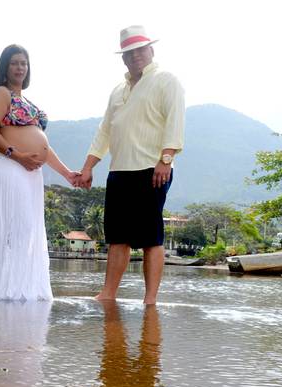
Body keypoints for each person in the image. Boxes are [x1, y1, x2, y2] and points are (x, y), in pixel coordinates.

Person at [76, 25, 185, 305]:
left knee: (151, 237)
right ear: (123, 58)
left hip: (152, 169)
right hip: (119, 171)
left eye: (139, 50)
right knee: (117, 237)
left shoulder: (166, 80)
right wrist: (89, 167)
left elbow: (175, 120)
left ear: (151, 50)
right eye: (129, 53)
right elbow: (105, 131)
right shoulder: (118, 91)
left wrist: (166, 159)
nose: (135, 56)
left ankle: (150, 299)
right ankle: (108, 293)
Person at [0, 44, 78, 301]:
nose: (20, 68)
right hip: (10, 166)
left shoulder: (27, 102)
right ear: (5, 67)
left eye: (24, 63)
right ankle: (4, 291)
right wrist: (18, 155)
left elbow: (44, 146)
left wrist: (67, 173)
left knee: (29, 229)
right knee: (18, 227)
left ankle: (24, 291)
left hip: (30, 173)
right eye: (14, 63)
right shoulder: (2, 93)